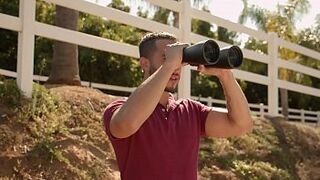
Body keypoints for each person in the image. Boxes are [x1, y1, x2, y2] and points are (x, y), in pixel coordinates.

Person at [103, 32, 253, 180]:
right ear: (145, 63)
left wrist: (225, 75)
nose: (176, 66)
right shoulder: (120, 108)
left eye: (180, 60)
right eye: (166, 57)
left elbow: (241, 125)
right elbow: (125, 124)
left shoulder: (191, 111)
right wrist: (169, 65)